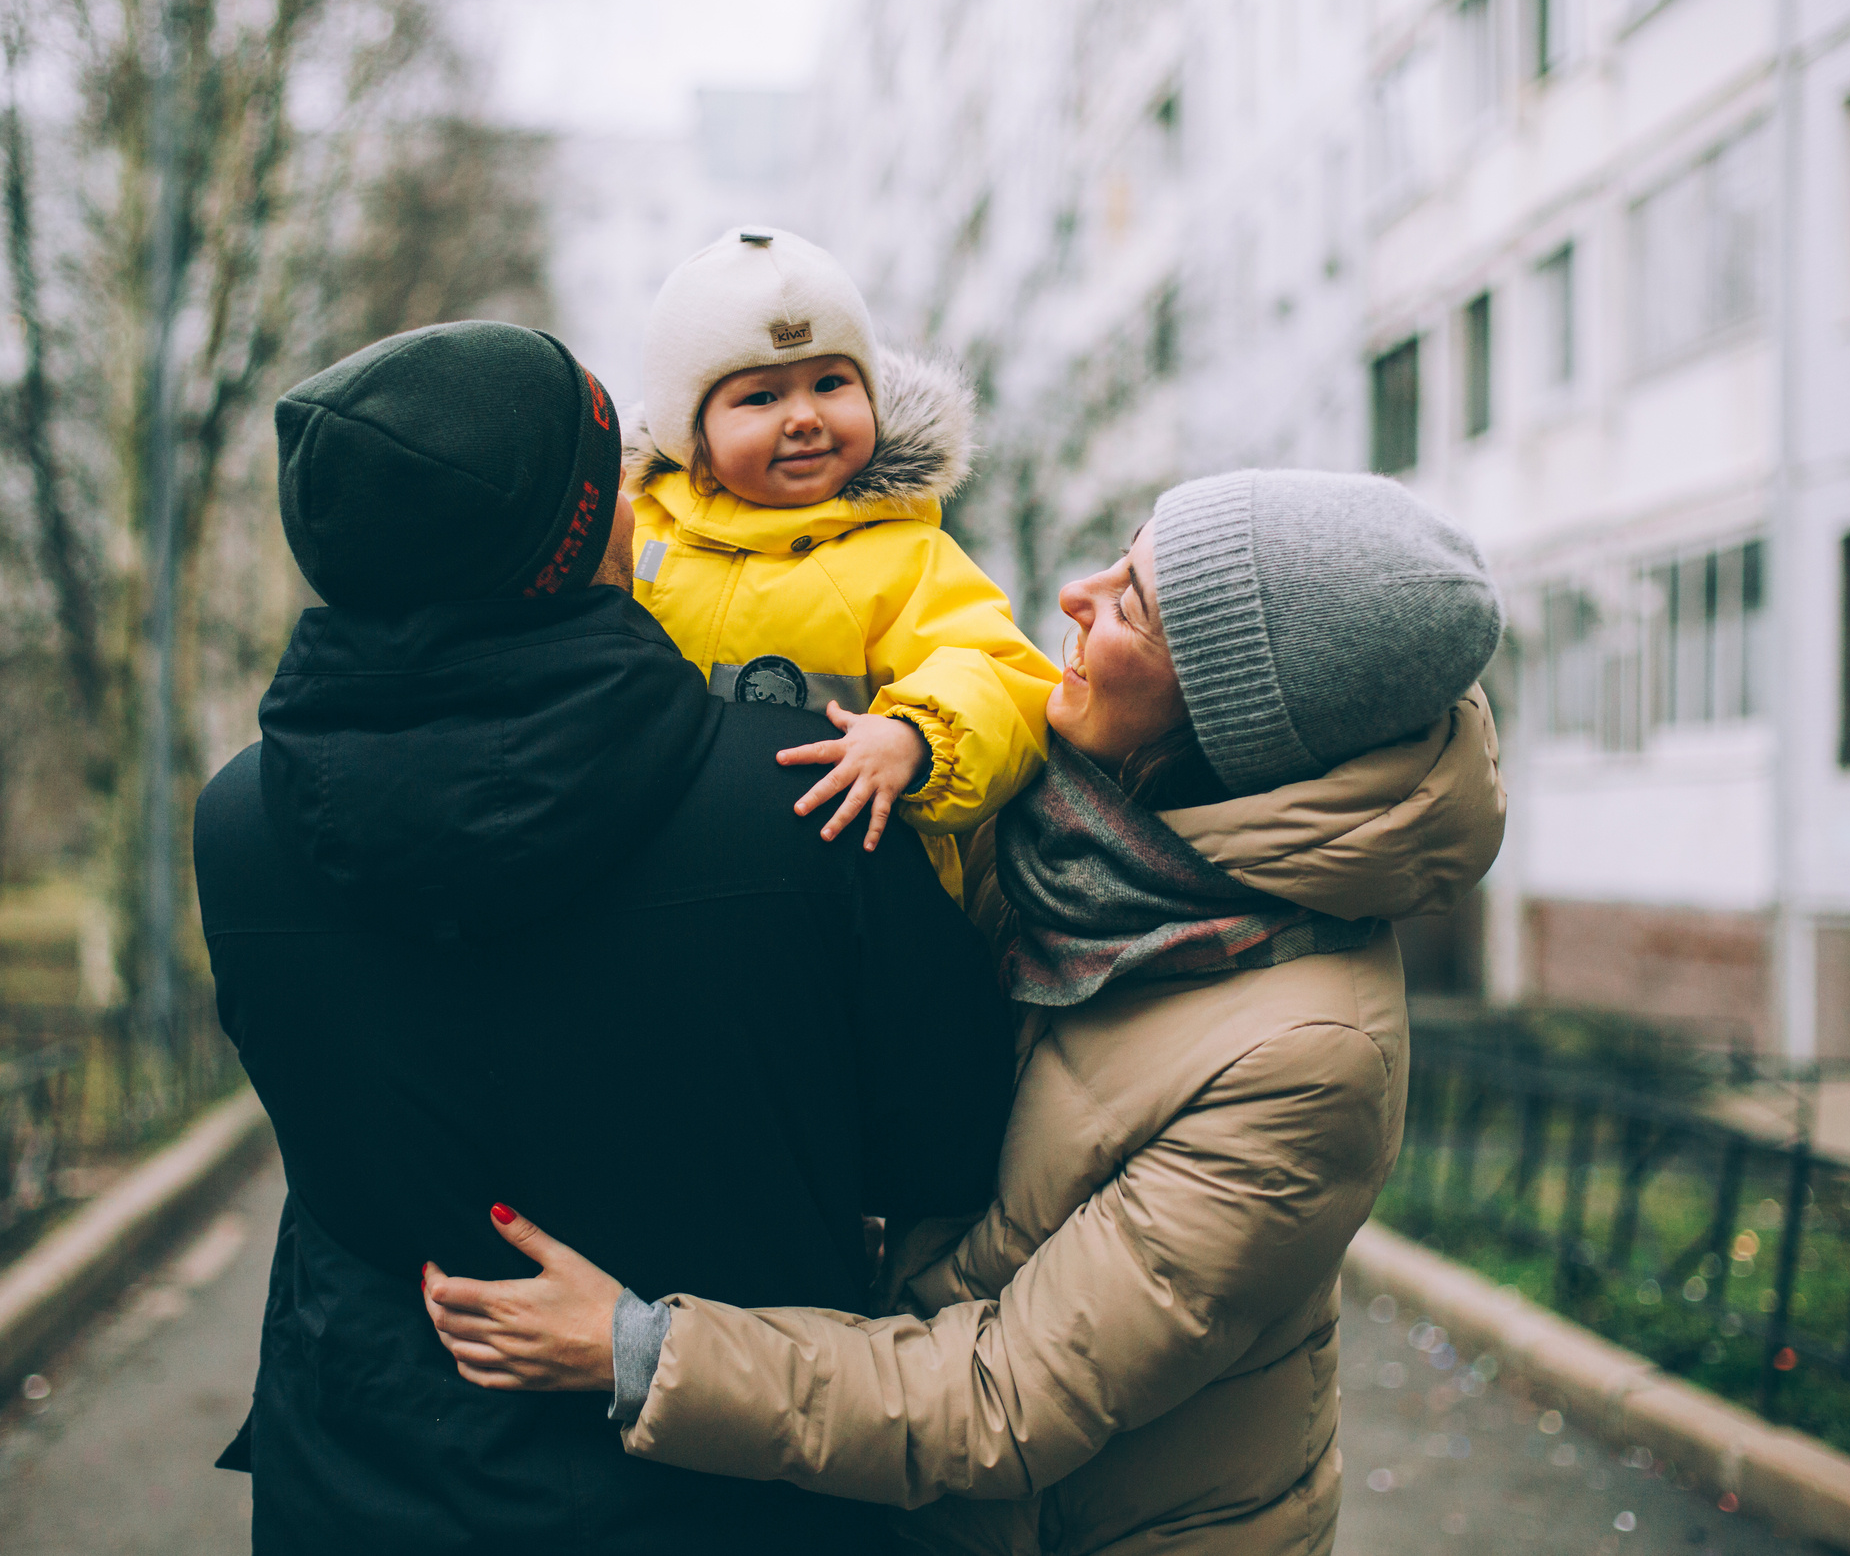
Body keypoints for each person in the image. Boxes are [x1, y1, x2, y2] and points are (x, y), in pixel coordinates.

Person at [421, 467, 1509, 1555]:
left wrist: (640, 1350)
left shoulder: (1306, 1058)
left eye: (1133, 606)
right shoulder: (1054, 823)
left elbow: (1003, 1399)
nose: (1078, 594)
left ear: (1232, 727)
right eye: (1120, 556)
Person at [194, 319, 1015, 1555]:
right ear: (581, 535)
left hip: (362, 1478)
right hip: (733, 1492)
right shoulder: (805, 798)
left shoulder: (238, 824)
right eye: (609, 478)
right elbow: (948, 1150)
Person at [625, 226, 1058, 897]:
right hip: (654, 885)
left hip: (849, 894)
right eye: (761, 396)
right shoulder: (634, 531)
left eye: (831, 383)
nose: (804, 416)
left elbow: (1005, 678)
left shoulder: (902, 553)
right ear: (691, 430)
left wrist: (915, 739)